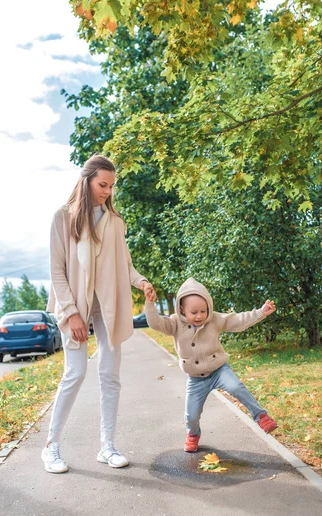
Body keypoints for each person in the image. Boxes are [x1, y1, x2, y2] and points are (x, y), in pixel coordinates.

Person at [42, 155, 154, 473]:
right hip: (74, 305)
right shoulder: (62, 218)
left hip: (107, 306)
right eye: (102, 184)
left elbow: (125, 264)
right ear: (87, 180)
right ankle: (51, 448)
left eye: (111, 186)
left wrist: (141, 281)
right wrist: (72, 313)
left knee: (110, 375)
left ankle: (107, 446)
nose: (107, 191)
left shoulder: (115, 221)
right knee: (75, 373)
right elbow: (56, 271)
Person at [145, 277, 278, 452]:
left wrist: (260, 312)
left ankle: (261, 416)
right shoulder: (175, 323)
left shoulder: (214, 320)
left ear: (209, 307)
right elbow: (155, 323)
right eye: (194, 312)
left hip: (218, 370)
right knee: (191, 415)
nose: (199, 316)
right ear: (182, 309)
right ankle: (193, 434)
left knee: (236, 387)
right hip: (195, 379)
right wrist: (149, 304)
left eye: (203, 310)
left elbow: (238, 321)